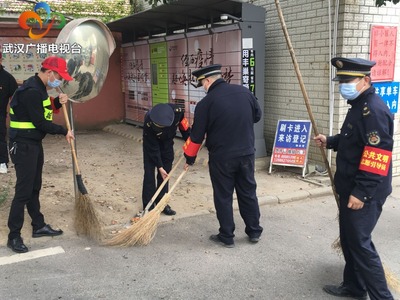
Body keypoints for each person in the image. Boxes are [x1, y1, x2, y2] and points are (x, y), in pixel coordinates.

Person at [314, 57, 394, 300]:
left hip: (364, 192)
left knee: (360, 244)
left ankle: (382, 297)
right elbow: (352, 139)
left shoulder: (374, 111)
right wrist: (331, 141)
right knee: (349, 240)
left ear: (366, 80)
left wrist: (361, 192)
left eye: (348, 80)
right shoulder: (359, 105)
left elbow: (376, 155)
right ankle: (354, 287)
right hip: (351, 186)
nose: (343, 85)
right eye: (341, 80)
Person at [183, 64, 263, 248]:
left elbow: (196, 136)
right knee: (248, 192)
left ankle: (227, 236)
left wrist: (190, 158)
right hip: (246, 154)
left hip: (222, 158)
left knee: (223, 195)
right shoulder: (244, 93)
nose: (203, 87)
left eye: (202, 83)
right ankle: (254, 231)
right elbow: (257, 116)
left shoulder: (206, 104)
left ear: (208, 80)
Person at [7, 56, 75, 253]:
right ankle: (14, 235)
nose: (59, 81)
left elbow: (43, 111)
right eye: (59, 76)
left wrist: (56, 102)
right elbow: (41, 123)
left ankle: (38, 225)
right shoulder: (31, 91)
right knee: (23, 192)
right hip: (23, 146)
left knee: (34, 187)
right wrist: (64, 131)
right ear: (50, 72)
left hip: (34, 144)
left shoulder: (39, 89)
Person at [142, 103, 190, 216]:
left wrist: (190, 147)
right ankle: (148, 206)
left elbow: (185, 129)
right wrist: (159, 166)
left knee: (165, 176)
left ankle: (162, 204)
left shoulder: (178, 112)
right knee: (149, 175)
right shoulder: (148, 121)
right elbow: (153, 147)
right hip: (151, 147)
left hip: (167, 145)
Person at [0, 52, 18, 174]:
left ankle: (2, 162)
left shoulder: (7, 78)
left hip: (0, 115)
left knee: (0, 138)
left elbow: (16, 99)